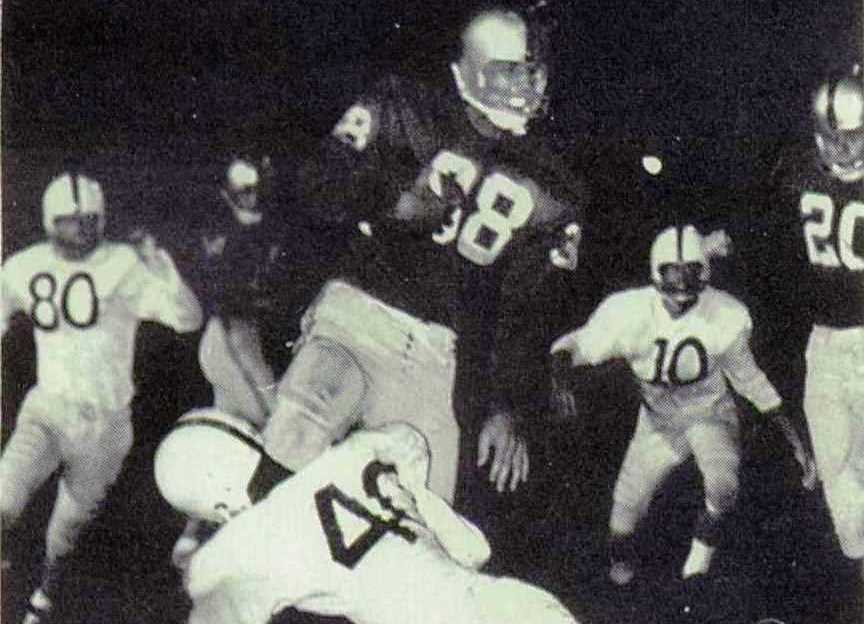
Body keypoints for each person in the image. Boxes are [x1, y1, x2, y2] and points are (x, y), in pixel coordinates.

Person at [262, 2, 587, 505]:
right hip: (355, 318)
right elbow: (317, 183)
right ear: (467, 71)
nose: (527, 86)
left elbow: (525, 306)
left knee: (423, 512)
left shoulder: (554, 187)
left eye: (533, 72)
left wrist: (505, 404)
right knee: (295, 437)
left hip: (437, 355)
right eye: (510, 72)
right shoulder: (403, 108)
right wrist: (393, 201)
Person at [550, 224, 814, 584]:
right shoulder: (629, 311)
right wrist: (560, 380)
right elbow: (573, 346)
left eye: (690, 274)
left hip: (709, 414)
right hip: (657, 420)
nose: (680, 289)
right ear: (656, 273)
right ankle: (623, 576)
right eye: (672, 276)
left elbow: (752, 382)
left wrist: (795, 440)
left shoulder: (723, 315)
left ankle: (697, 567)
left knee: (722, 483)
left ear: (703, 275)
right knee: (624, 513)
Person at [0, 172, 203, 624]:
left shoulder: (123, 264)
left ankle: (44, 597)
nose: (81, 231)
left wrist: (165, 271)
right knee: (3, 497)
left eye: (90, 221)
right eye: (70, 221)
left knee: (66, 530)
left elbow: (188, 320)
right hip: (48, 409)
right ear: (49, 222)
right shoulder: (24, 266)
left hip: (105, 424)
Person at [154, 412, 580, 624]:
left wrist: (196, 558)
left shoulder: (259, 538)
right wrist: (421, 506)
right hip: (512, 605)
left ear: (221, 506)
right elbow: (409, 442)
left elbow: (213, 597)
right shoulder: (356, 453)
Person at [740, 64, 864, 617]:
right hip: (825, 343)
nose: (840, 149)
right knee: (841, 492)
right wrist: (725, 240)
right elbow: (766, 232)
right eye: (830, 136)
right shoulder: (797, 171)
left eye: (853, 136)